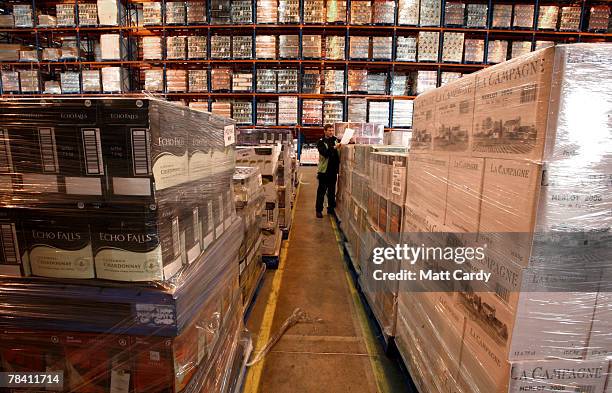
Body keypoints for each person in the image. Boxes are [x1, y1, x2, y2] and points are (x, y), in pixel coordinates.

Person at [315, 124, 341, 218]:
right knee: (321, 191)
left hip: (333, 170)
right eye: (329, 130)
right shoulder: (320, 142)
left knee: (332, 191)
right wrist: (334, 147)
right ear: (325, 131)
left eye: (332, 130)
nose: (331, 132)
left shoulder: (335, 139)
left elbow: (340, 150)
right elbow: (325, 153)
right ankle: (319, 210)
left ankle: (331, 209)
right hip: (324, 171)